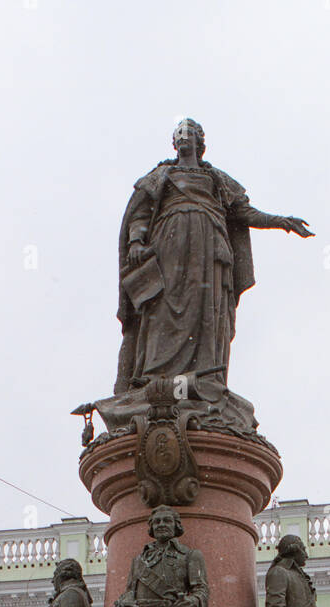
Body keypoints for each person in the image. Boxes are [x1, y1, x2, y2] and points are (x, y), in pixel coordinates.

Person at [115, 118, 313, 402]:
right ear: (174, 142)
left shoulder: (217, 180)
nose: (184, 137)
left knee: (208, 311)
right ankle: (154, 378)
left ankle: (205, 377)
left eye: (189, 133)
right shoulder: (162, 175)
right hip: (169, 246)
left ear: (199, 140)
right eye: (179, 133)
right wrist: (136, 240)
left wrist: (281, 221)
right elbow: (141, 213)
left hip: (210, 248)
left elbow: (244, 213)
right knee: (164, 306)